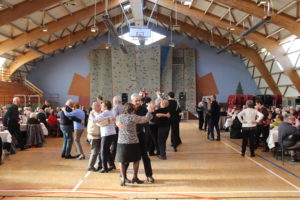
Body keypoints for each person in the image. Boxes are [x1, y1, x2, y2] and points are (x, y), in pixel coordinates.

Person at [116, 102, 154, 186]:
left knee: (122, 161)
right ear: (132, 110)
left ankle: (122, 178)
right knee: (136, 160)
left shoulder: (119, 117)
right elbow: (145, 119)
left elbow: (116, 122)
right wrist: (150, 111)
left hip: (121, 142)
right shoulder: (133, 117)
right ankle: (135, 177)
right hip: (133, 141)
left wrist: (117, 123)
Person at [130, 93, 155, 183]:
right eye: (136, 101)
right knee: (128, 157)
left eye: (139, 100)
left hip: (141, 135)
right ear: (131, 101)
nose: (138, 102)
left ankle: (149, 175)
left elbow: (149, 119)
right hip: (130, 137)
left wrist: (147, 134)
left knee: (145, 156)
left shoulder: (143, 109)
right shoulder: (127, 110)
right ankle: (124, 176)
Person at [90, 100, 116, 172]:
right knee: (107, 150)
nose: (101, 106)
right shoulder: (111, 112)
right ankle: (112, 165)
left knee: (103, 151)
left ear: (105, 106)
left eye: (102, 105)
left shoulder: (105, 113)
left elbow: (94, 120)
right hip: (112, 133)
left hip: (106, 134)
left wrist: (92, 114)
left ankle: (104, 168)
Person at [87, 102, 102, 172]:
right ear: (96, 107)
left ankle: (98, 165)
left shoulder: (94, 113)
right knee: (95, 151)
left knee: (98, 151)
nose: (101, 107)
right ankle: (90, 166)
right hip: (94, 136)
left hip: (95, 135)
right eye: (99, 106)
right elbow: (100, 122)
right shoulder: (95, 114)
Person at [111, 96, 124, 163]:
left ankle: (112, 159)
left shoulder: (115, 107)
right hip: (123, 128)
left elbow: (114, 118)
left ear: (115, 101)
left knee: (114, 143)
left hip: (117, 128)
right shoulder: (124, 107)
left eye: (113, 102)